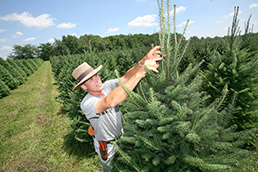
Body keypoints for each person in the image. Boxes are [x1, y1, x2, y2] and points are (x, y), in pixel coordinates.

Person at [71, 46, 163, 171]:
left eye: (96, 76)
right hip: (107, 148)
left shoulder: (106, 86)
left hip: (122, 138)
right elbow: (110, 101)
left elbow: (126, 78)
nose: (97, 80)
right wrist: (141, 73)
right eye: (91, 80)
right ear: (83, 86)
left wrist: (142, 62)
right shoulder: (87, 103)